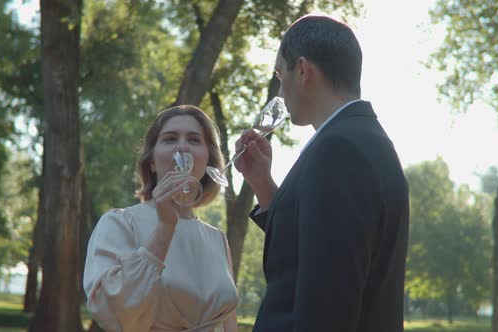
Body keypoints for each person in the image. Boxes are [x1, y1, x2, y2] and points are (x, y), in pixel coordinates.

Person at [234, 15, 410, 332]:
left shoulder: (340, 150)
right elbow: (312, 248)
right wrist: (263, 184)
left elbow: (328, 306)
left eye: (279, 73)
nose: (279, 89)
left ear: (302, 70)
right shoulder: (359, 139)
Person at [84, 105, 238, 332]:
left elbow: (228, 324)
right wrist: (165, 227)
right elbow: (113, 313)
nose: (182, 146)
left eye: (194, 140)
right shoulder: (118, 223)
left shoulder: (217, 239)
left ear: (208, 161)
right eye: (170, 139)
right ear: (152, 162)